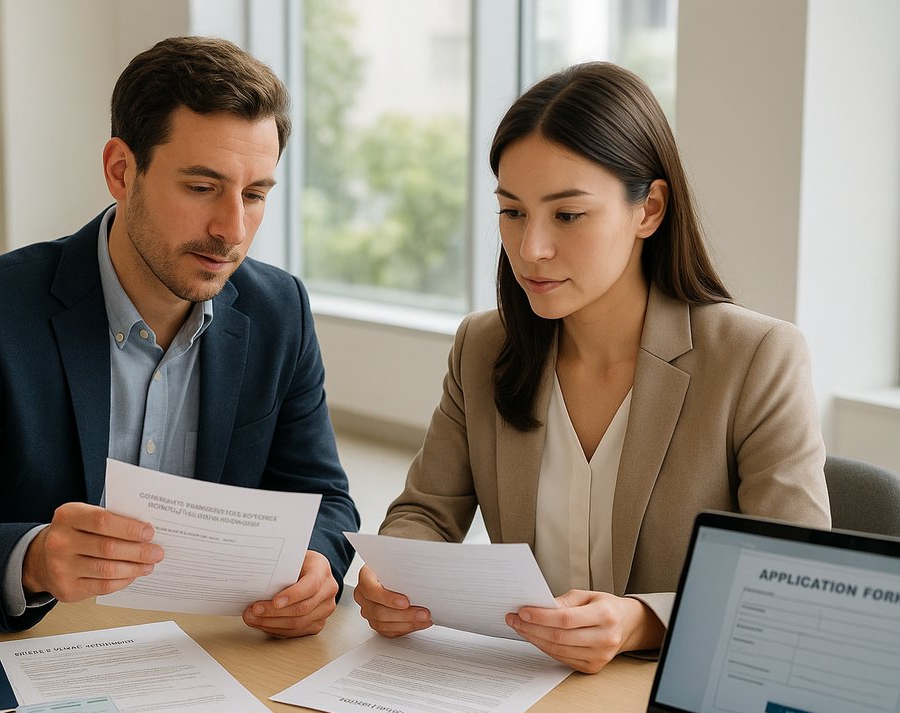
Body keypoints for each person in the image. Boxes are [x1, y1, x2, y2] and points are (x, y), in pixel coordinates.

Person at [353, 62, 830, 673]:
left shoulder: (756, 358)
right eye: (513, 212)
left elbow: (793, 579)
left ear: (649, 210)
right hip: (522, 692)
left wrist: (643, 621)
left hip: (672, 697)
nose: (532, 249)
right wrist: (391, 574)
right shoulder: (483, 345)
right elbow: (425, 510)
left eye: (568, 215)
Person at [0, 36, 358, 636]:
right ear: (121, 171)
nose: (231, 229)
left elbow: (325, 502)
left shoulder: (279, 309)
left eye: (255, 194)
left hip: (202, 653)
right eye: (201, 188)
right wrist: (32, 559)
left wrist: (318, 564)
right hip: (33, 650)